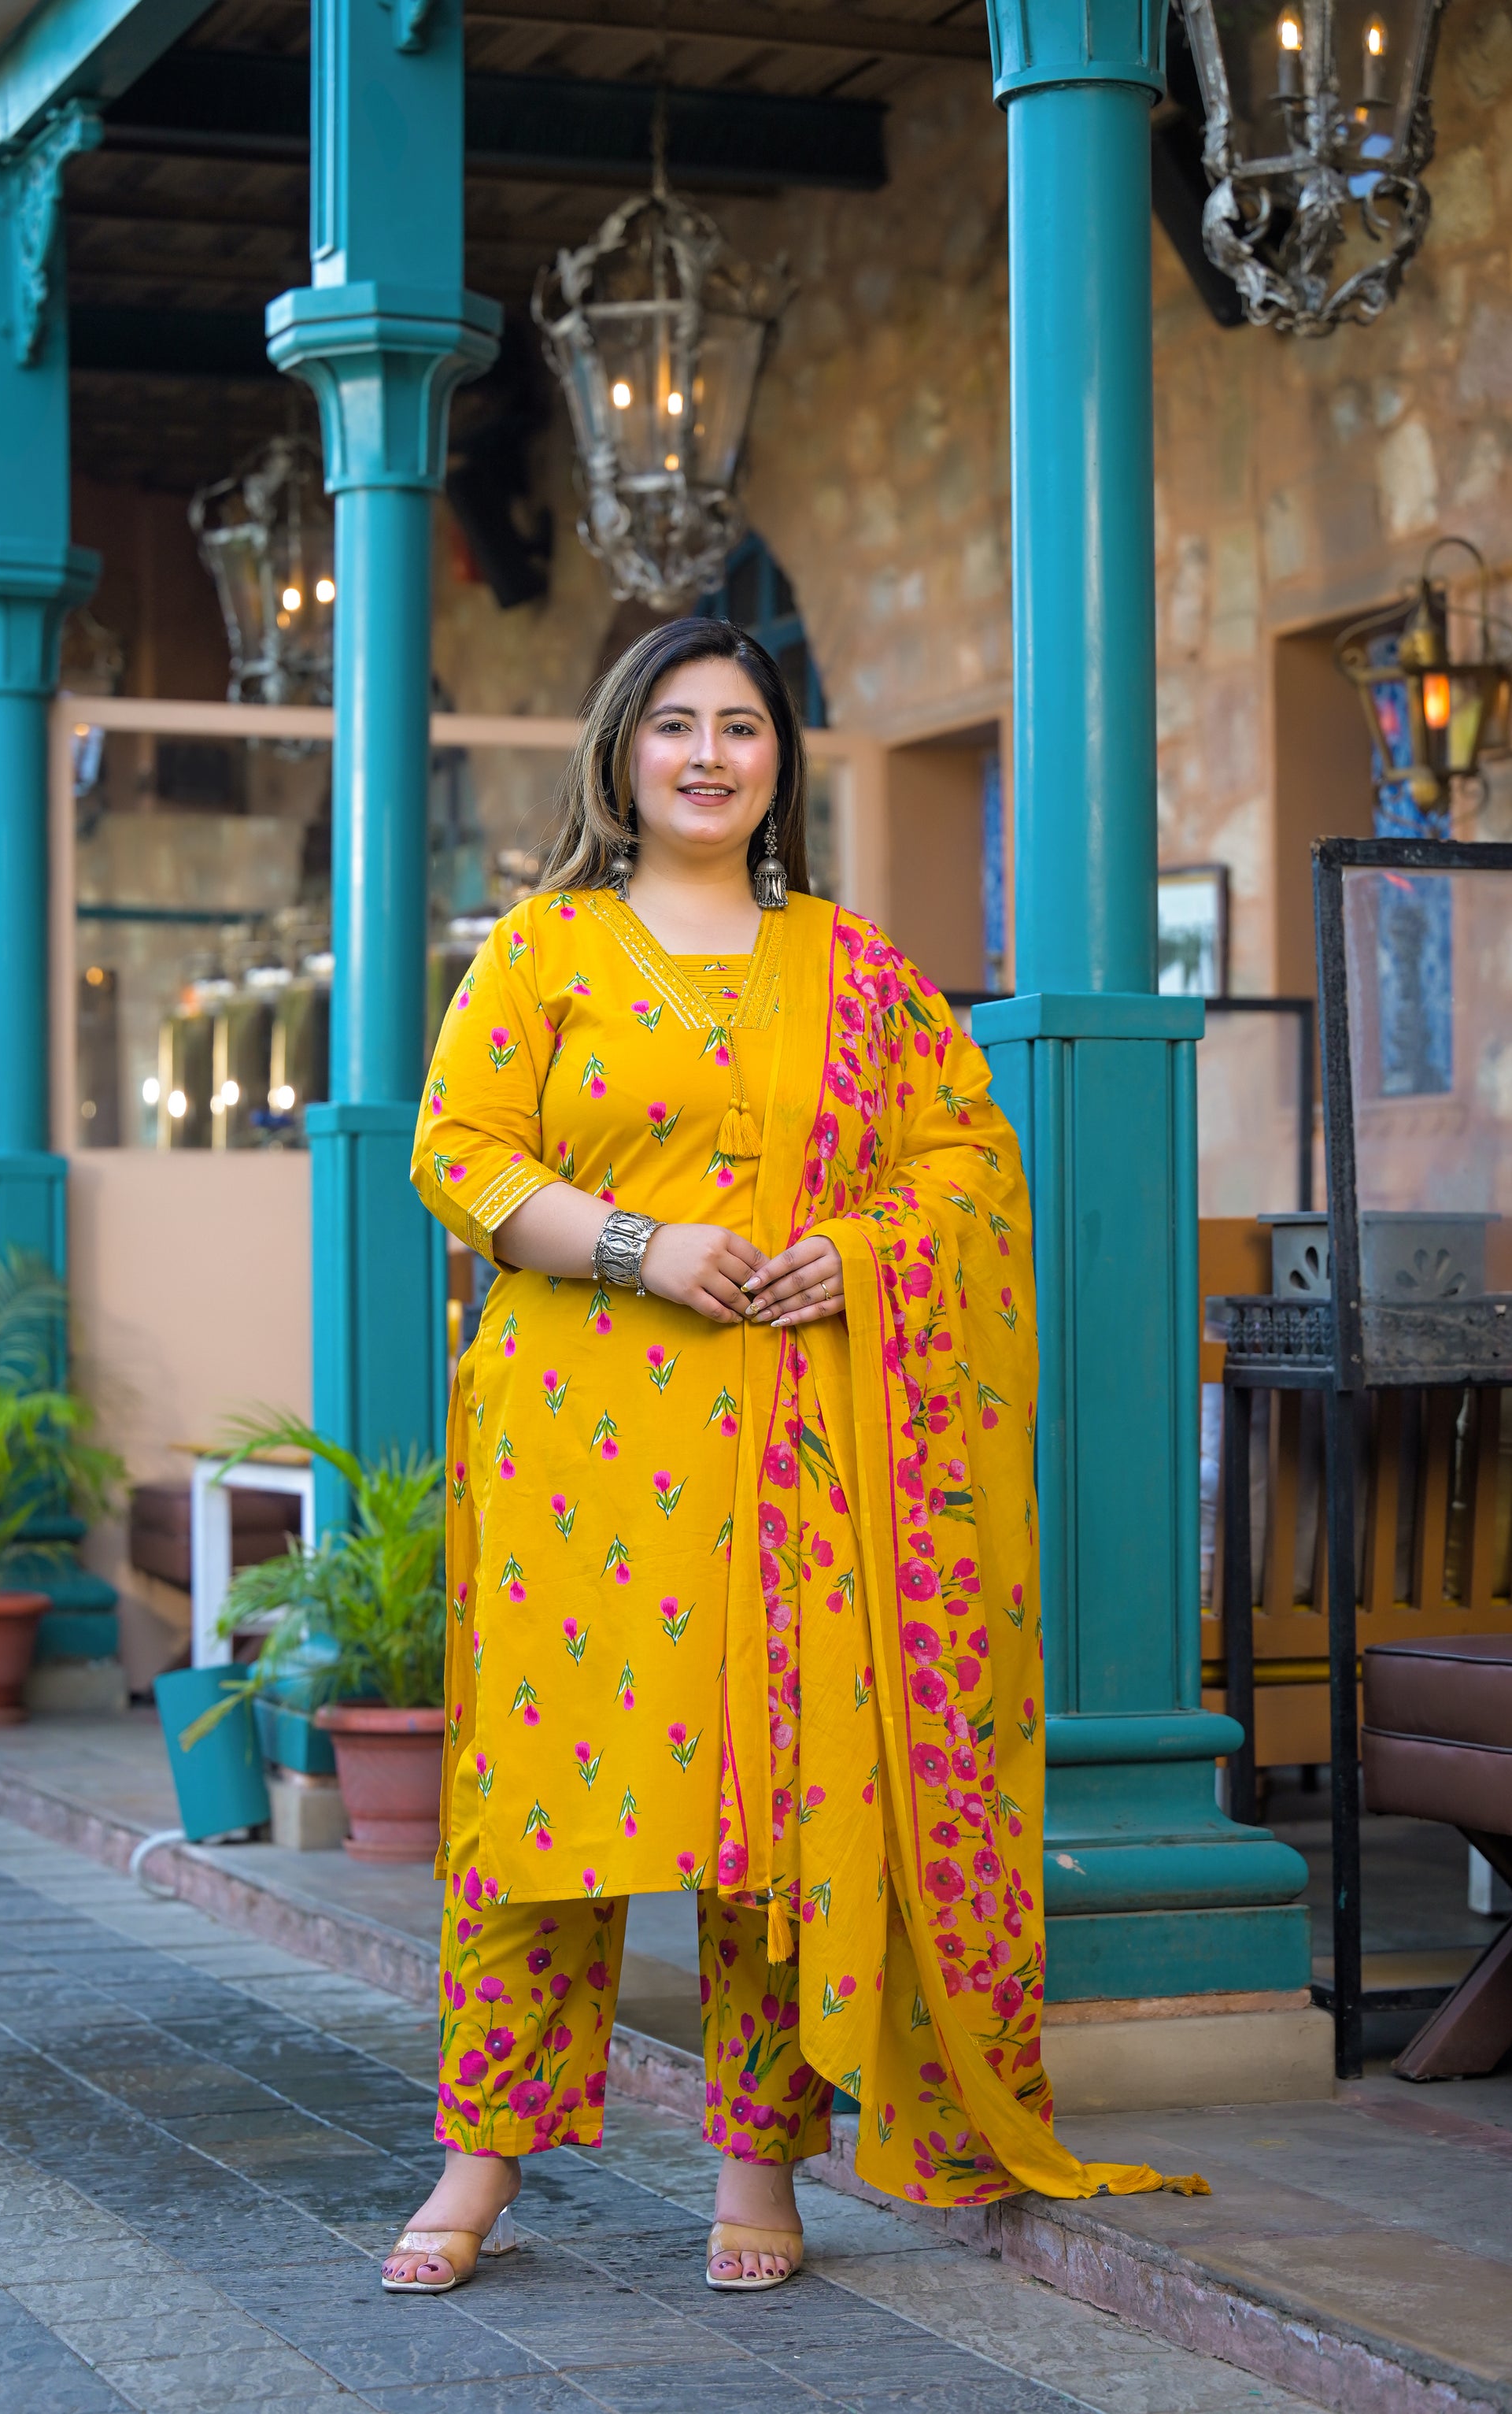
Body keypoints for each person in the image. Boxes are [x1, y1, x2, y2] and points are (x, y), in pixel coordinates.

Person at [391, 618, 1202, 2298]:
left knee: (777, 1805)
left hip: (793, 1449)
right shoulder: (540, 950)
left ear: (781, 762)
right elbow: (458, 1153)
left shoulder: (855, 969)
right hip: (577, 1450)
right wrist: (643, 1247)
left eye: (742, 727)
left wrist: (862, 1252)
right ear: (620, 754)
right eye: (675, 724)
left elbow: (967, 1165)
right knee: (543, 1810)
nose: (708, 755)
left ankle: (758, 2164)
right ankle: (481, 2155)